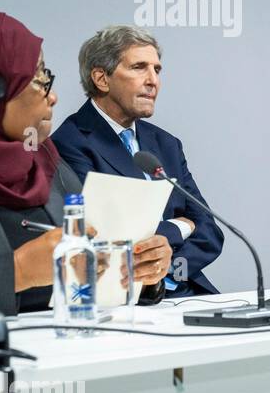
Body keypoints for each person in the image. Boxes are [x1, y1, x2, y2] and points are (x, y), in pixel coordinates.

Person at [0, 10, 172, 315]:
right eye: (38, 79)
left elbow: (92, 269)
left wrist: (142, 274)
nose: (53, 96)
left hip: (69, 348)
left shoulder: (45, 162)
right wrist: (19, 272)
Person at [52, 26, 223, 296]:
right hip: (126, 300)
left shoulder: (166, 144)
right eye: (139, 67)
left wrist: (168, 270)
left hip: (186, 290)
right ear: (101, 78)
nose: (153, 80)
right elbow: (113, 237)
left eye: (157, 70)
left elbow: (209, 230)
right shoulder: (70, 142)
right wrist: (179, 226)